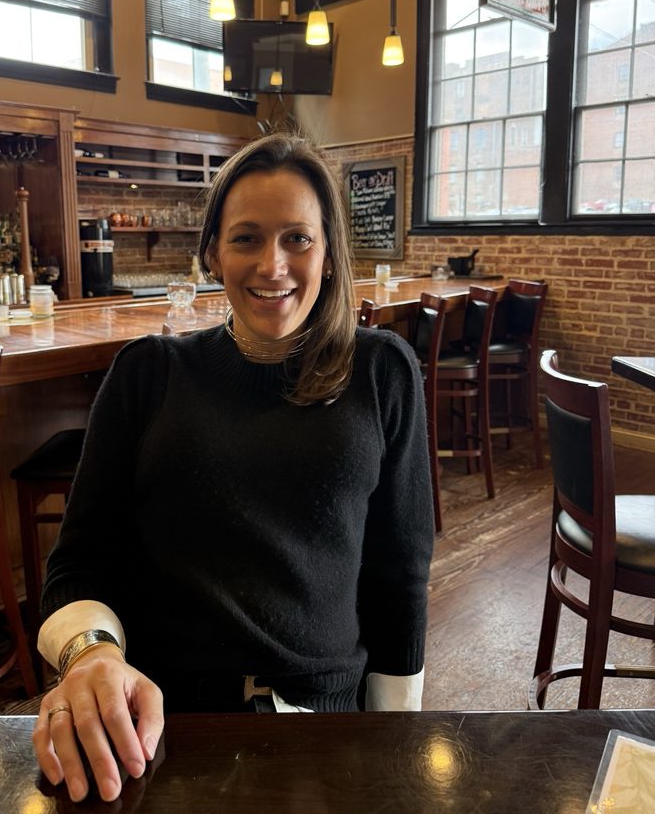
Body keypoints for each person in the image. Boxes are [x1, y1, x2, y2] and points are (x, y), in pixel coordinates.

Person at [32, 133, 434, 802]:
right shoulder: (148, 374)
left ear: (329, 254)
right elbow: (78, 565)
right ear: (213, 252)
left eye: (297, 239)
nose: (273, 265)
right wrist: (91, 653)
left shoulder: (382, 371)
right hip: (156, 731)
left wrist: (394, 749)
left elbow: (400, 578)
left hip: (324, 724)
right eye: (247, 238)